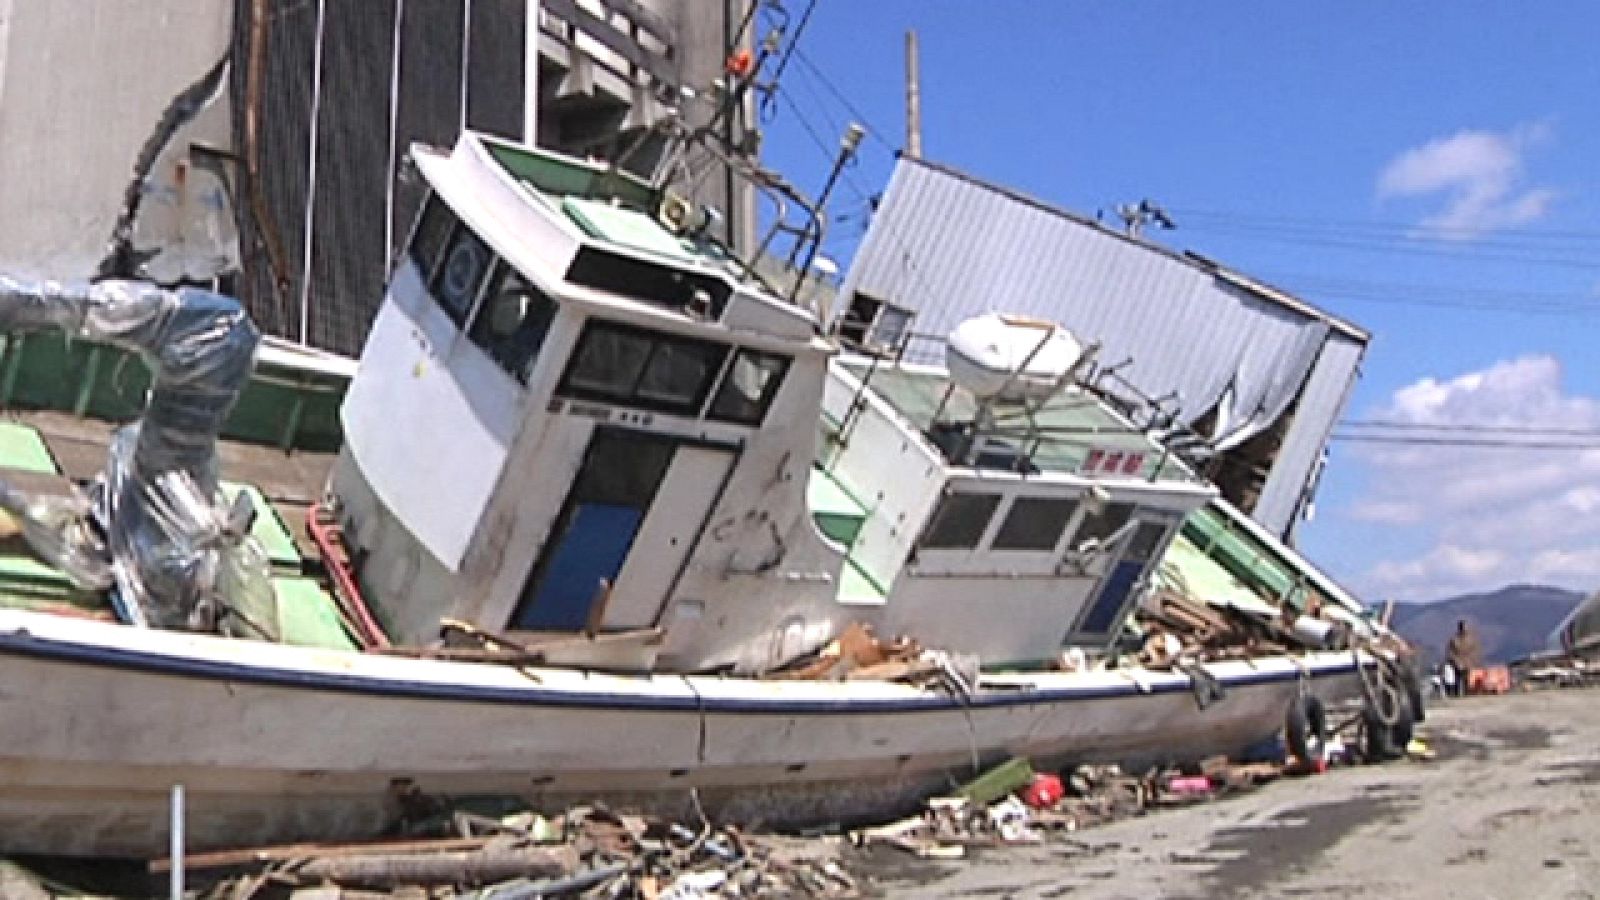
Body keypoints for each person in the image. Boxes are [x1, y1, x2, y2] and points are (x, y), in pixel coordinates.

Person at [1444, 619, 1482, 697]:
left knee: (1467, 680)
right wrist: (1456, 662)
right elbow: (1450, 652)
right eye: (1461, 626)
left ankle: (1467, 693)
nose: (1463, 628)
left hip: (1469, 663)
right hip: (1456, 663)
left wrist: (1472, 661)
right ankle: (1456, 694)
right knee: (1456, 680)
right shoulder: (1454, 639)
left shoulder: (1472, 639)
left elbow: (1476, 650)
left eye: (1464, 626)